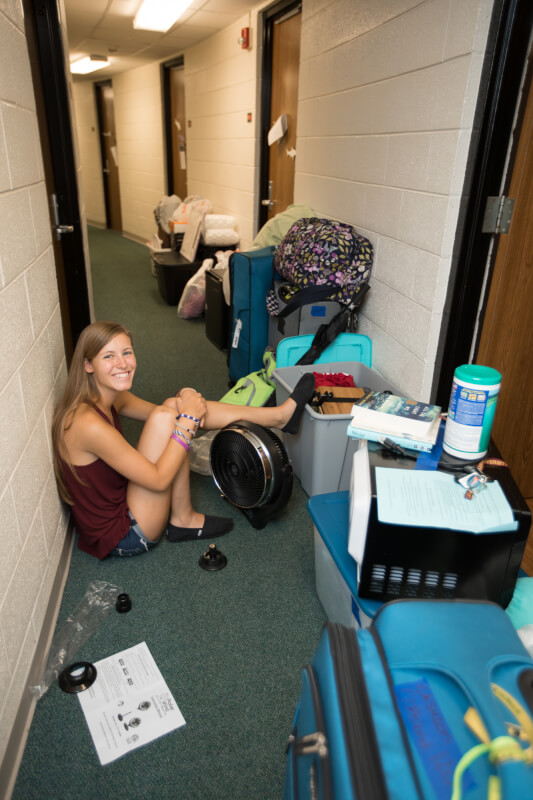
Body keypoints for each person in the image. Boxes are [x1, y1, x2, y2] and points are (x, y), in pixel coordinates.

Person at [52, 321, 315, 560]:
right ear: (88, 365)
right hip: (124, 534)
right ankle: (183, 518)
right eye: (108, 356)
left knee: (168, 411)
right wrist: (188, 419)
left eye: (127, 352)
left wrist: (186, 399)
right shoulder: (87, 424)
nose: (122, 364)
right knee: (171, 418)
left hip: (123, 499)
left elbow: (164, 411)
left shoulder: (106, 395)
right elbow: (158, 479)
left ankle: (279, 416)